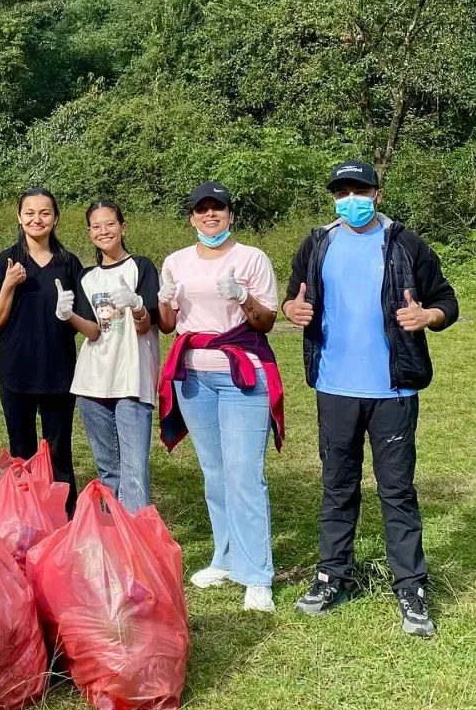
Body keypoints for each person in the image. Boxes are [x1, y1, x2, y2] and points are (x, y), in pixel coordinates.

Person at [283, 159, 459, 637]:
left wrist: (429, 318)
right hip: (334, 387)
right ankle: (333, 576)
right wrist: (291, 309)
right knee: (337, 488)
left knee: (397, 491)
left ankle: (410, 587)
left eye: (360, 190)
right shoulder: (318, 243)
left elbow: (447, 301)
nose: (351, 199)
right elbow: (293, 297)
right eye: (342, 191)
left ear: (377, 193)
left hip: (393, 388)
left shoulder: (404, 243)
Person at [154, 182, 285, 613]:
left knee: (245, 471)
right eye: (202, 210)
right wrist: (163, 302)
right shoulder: (176, 261)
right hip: (193, 376)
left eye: (218, 209)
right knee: (214, 470)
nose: (210, 216)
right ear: (191, 217)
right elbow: (169, 324)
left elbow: (266, 321)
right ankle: (225, 557)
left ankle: (257, 573)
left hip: (241, 372)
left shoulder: (251, 258)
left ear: (230, 214)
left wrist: (243, 296)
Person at [0, 188, 83, 515]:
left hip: (59, 369)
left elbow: (84, 318)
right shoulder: (6, 262)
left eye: (44, 213)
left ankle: (64, 516)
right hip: (16, 370)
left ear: (55, 219)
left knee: (58, 451)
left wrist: (71, 314)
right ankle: (24, 516)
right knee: (21, 448)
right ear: (19, 217)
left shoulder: (69, 264)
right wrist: (9, 284)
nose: (36, 219)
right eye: (29, 213)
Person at [66, 200, 162, 513]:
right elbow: (93, 331)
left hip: (131, 379)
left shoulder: (141, 267)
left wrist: (136, 305)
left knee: (134, 471)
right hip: (92, 382)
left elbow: (147, 325)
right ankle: (111, 536)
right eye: (96, 226)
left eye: (110, 224)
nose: (104, 231)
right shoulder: (86, 277)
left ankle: (135, 541)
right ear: (89, 232)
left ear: (123, 227)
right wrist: (67, 315)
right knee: (107, 469)